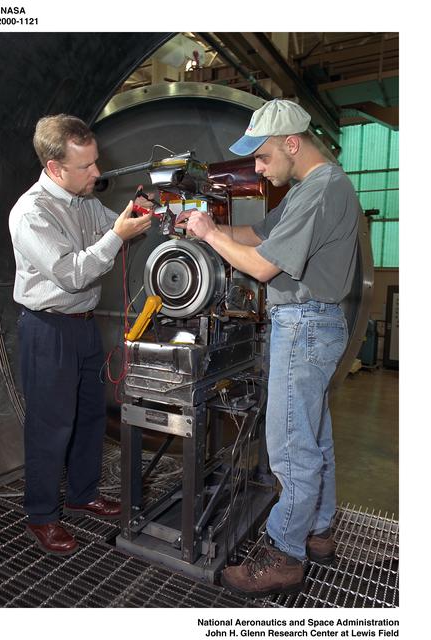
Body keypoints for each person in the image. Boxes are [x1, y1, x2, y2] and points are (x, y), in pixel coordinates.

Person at [176, 99, 359, 596]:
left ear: (292, 144)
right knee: (314, 437)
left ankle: (284, 555)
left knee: (291, 446)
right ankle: (318, 531)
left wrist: (210, 235)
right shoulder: (306, 191)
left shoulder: (321, 190)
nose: (257, 168)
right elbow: (256, 235)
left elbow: (260, 266)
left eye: (262, 156)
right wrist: (204, 224)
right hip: (312, 325)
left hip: (304, 326)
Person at [9, 114, 152, 556]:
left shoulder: (83, 200)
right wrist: (116, 235)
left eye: (95, 161)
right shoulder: (31, 213)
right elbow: (72, 274)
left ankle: (82, 493)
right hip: (48, 329)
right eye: (86, 166)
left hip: (84, 327)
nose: (97, 172)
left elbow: (118, 230)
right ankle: (41, 515)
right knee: (51, 426)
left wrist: (147, 215)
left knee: (90, 416)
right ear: (55, 168)